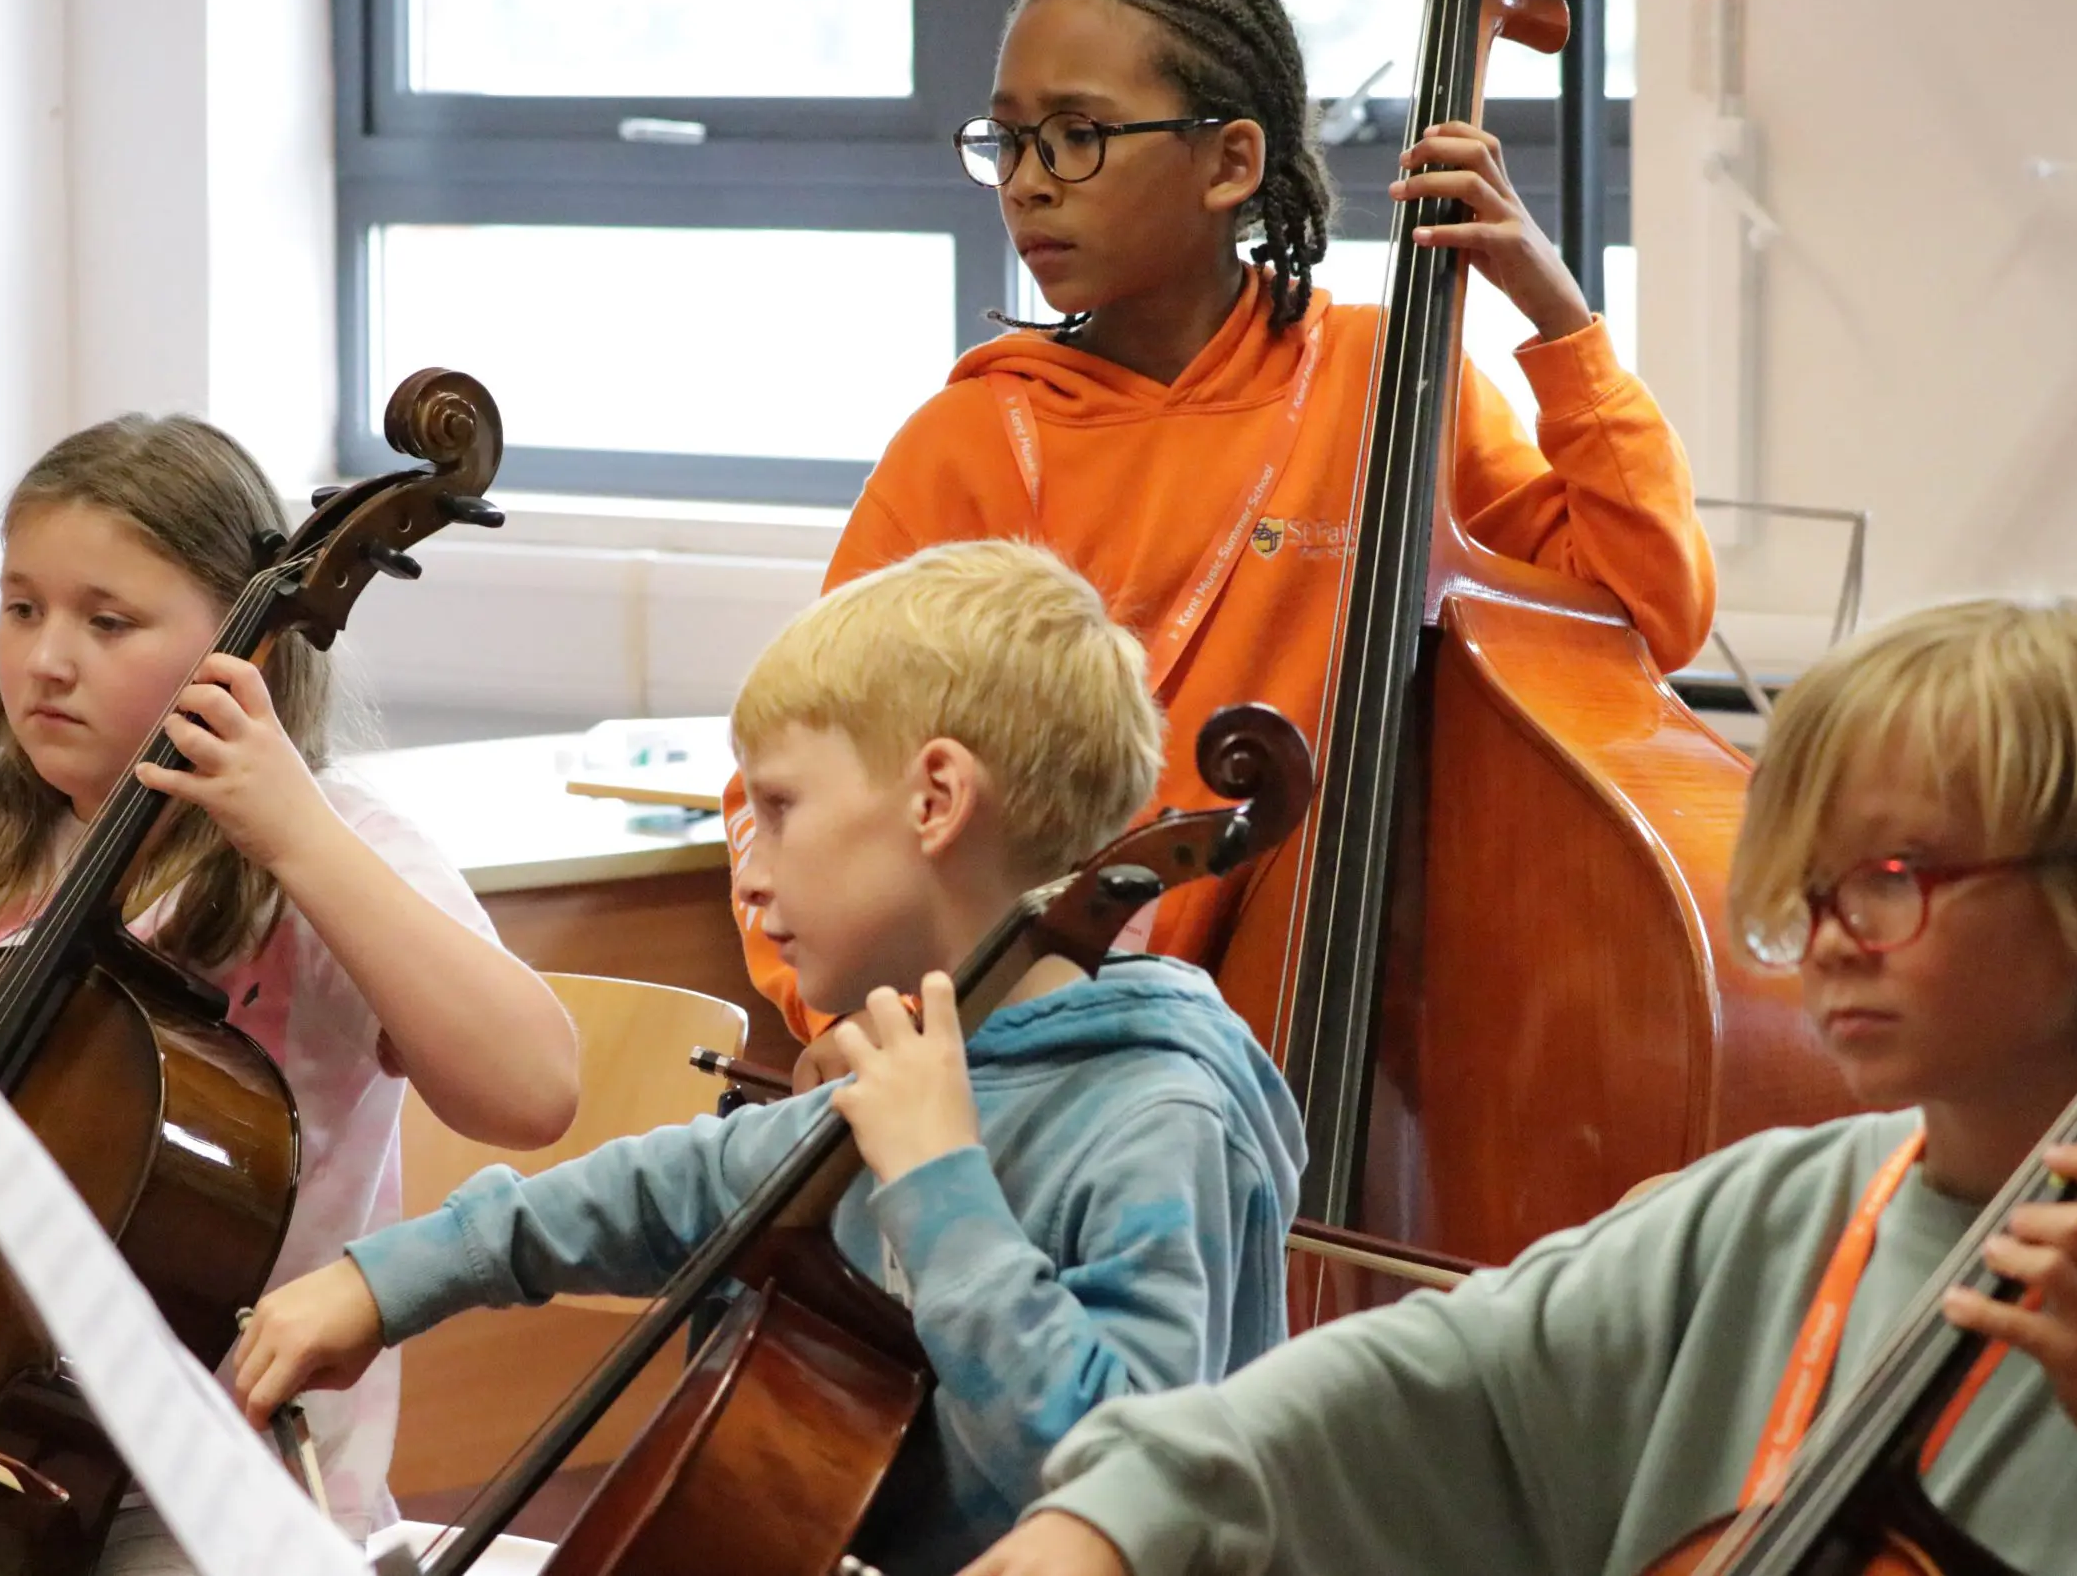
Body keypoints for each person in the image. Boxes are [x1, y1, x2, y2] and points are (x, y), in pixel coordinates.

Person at [964, 595, 2077, 1575]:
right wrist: (1112, 1518)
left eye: (1895, 875)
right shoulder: (1769, 1213)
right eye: (1813, 884)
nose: (1829, 936)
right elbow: (1439, 1382)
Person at [722, 0, 1717, 1059]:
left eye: (1080, 136)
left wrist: (1560, 324)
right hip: (1038, 1063)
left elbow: (1649, 611)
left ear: (1231, 163)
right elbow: (790, 776)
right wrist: (852, 1021)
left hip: (1343, 1044)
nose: (1030, 181)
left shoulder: (1384, 382)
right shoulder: (967, 445)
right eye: (1010, 140)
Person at [229, 540, 1306, 1576]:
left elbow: (1117, 1482)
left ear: (935, 801)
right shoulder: (926, 1059)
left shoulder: (1154, 1118)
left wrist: (941, 1189)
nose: (747, 874)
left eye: (781, 807)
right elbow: (672, 1189)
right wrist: (389, 1282)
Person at [0, 416, 580, 1573]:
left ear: (248, 645)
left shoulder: (339, 855)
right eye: (22, 608)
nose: (45, 658)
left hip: (225, 1496)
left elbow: (530, 1092)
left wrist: (298, 839)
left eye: (107, 621)